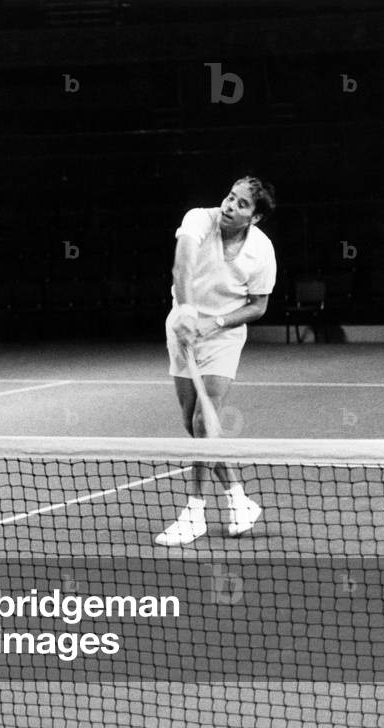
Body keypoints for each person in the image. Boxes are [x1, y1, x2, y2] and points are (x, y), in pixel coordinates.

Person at [155, 176, 277, 546]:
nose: (229, 206)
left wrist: (215, 323)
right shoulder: (198, 220)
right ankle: (239, 498)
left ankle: (194, 513)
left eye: (242, 205)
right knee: (194, 425)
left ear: (254, 218)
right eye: (230, 197)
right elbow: (183, 269)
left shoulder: (261, 251)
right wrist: (189, 313)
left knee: (202, 418)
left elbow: (258, 305)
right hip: (183, 326)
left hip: (222, 335)